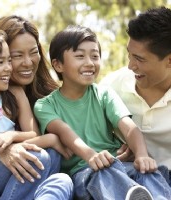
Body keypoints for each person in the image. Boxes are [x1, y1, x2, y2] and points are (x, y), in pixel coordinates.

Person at [34, 24, 171, 200]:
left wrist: (142, 156)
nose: (90, 63)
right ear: (58, 64)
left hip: (118, 164)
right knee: (100, 174)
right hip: (84, 172)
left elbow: (129, 127)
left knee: (148, 171)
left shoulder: (104, 93)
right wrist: (91, 156)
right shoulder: (45, 105)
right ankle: (131, 195)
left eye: (95, 56)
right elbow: (66, 133)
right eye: (80, 56)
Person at [0, 17, 73, 200]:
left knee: (60, 177)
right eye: (1, 62)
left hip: (5, 172)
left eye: (9, 60)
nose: (8, 68)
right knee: (40, 157)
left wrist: (12, 134)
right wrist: (50, 138)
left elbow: (31, 135)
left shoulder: (17, 94)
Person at [99, 6, 171, 187]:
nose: (131, 66)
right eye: (129, 55)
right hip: (130, 180)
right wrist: (115, 148)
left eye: (140, 59)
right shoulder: (111, 86)